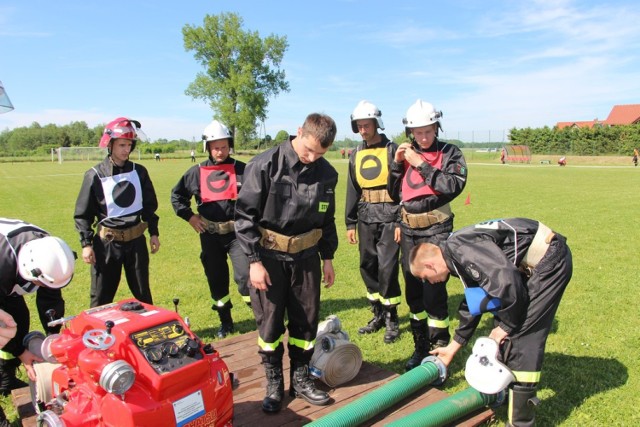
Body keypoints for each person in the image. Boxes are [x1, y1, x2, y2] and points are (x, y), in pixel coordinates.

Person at [409, 218, 572, 427]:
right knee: (508, 329)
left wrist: (502, 328)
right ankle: (503, 392)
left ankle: (521, 422)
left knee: (521, 337)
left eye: (425, 277)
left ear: (430, 265)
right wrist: (453, 347)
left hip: (550, 261)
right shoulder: (455, 253)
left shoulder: (459, 248)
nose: (428, 283)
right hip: (535, 264)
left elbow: (508, 284)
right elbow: (475, 303)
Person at [235, 113, 338, 413]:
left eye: (320, 153)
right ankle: (273, 382)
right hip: (268, 258)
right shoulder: (264, 165)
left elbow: (326, 219)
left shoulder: (327, 173)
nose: (311, 158)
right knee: (269, 323)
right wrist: (253, 261)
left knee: (306, 320)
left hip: (306, 258)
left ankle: (301, 379)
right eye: (308, 150)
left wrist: (327, 257)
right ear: (299, 132)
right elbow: (244, 217)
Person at [388, 99, 467, 371]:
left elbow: (452, 185)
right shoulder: (407, 152)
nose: (422, 137)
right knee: (413, 293)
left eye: (427, 131)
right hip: (408, 229)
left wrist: (420, 164)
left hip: (436, 231)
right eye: (417, 132)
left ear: (436, 127)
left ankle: (438, 350)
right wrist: (398, 165)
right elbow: (393, 193)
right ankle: (420, 346)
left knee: (434, 293)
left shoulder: (450, 153)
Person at [171, 120, 250, 338]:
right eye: (215, 147)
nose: (220, 151)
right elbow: (177, 196)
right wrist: (190, 217)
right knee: (216, 281)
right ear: (207, 147)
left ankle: (262, 315)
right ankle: (226, 322)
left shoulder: (243, 170)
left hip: (237, 235)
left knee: (245, 277)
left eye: (224, 147)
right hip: (210, 235)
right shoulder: (196, 172)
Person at [74, 117, 160, 308]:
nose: (126, 150)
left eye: (129, 145)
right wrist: (86, 244)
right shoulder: (95, 175)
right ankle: (97, 336)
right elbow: (83, 213)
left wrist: (153, 233)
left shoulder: (140, 172)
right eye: (121, 144)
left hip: (136, 242)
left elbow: (149, 207)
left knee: (143, 295)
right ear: (110, 144)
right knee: (101, 297)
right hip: (107, 245)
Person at [0, 218, 75, 426]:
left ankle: (5, 378)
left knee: (18, 321)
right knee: (5, 329)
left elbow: (50, 299)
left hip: (7, 278)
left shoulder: (48, 252)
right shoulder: (2, 263)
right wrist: (21, 352)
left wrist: (53, 339)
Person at [345, 100, 402, 344]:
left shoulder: (392, 149)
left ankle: (392, 319)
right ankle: (377, 314)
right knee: (367, 265)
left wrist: (401, 220)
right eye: (359, 126)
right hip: (366, 216)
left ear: (376, 124)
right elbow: (351, 188)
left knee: (387, 268)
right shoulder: (356, 153)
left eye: (367, 125)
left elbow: (403, 189)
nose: (363, 130)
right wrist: (350, 223)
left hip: (390, 216)